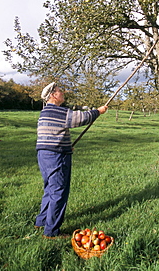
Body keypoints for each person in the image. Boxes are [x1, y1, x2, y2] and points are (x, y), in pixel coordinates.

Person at [34, 82, 108, 239]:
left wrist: (66, 147)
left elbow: (52, 135)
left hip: (44, 155)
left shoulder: (44, 112)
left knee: (50, 188)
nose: (63, 93)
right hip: (56, 157)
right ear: (53, 95)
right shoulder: (58, 111)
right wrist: (98, 111)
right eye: (60, 91)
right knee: (59, 192)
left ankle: (40, 222)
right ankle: (51, 232)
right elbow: (81, 118)